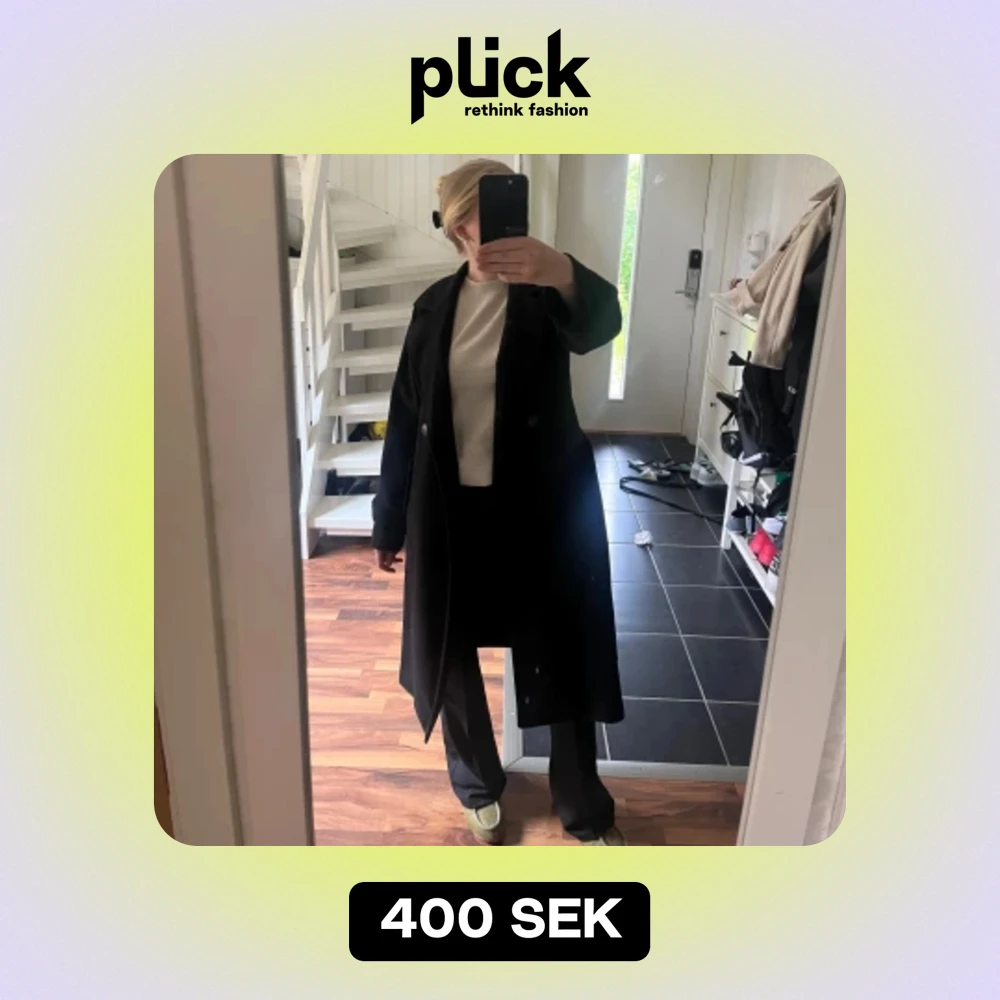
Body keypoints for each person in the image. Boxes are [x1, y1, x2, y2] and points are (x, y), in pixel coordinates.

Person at [372, 159, 625, 846]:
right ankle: (477, 786)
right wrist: (388, 521)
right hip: (452, 512)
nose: (513, 218)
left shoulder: (547, 294)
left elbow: (601, 324)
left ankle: (583, 805)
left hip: (542, 510)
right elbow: (406, 416)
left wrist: (561, 270)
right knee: (450, 648)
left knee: (562, 647)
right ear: (461, 224)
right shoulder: (433, 307)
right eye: (493, 206)